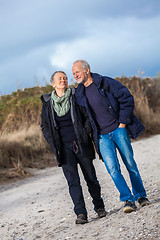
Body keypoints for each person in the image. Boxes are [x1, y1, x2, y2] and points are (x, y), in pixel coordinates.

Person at [72, 60, 150, 213]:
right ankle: (128, 200)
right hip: (101, 137)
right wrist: (89, 131)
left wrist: (122, 122)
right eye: (73, 73)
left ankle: (141, 196)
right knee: (113, 169)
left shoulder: (105, 82)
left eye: (77, 72)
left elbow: (127, 98)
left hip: (118, 129)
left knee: (130, 164)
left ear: (87, 70)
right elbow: (84, 117)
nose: (75, 76)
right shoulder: (79, 93)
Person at [41, 71, 106, 224]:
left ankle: (99, 207)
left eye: (64, 78)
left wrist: (85, 132)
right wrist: (52, 142)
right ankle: (81, 214)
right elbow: (45, 126)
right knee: (73, 182)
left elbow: (87, 116)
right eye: (59, 79)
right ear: (53, 84)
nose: (63, 80)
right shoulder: (47, 103)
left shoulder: (75, 96)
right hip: (63, 149)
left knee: (91, 178)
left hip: (81, 144)